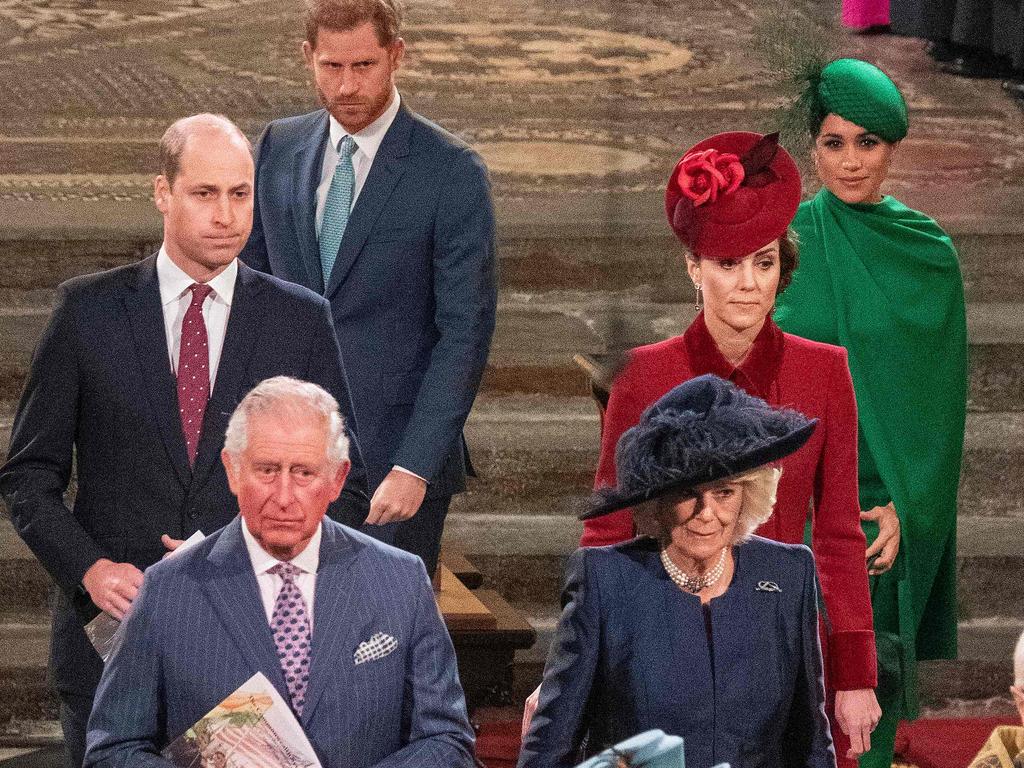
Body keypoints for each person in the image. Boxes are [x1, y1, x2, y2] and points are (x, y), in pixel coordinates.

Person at [0, 114, 369, 768]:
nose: (226, 215)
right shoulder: (87, 312)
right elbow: (27, 479)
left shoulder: (300, 320)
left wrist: (250, 550)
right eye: (204, 194)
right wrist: (91, 569)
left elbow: (345, 485)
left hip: (250, 652)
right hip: (107, 650)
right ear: (162, 193)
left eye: (240, 193)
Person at [574, 131, 878, 764]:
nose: (748, 284)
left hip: (782, 650)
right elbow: (606, 536)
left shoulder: (825, 373)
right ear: (693, 265)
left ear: (782, 270)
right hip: (659, 649)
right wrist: (575, 664)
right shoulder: (643, 375)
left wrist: (855, 673)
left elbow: (840, 534)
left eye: (764, 263)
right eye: (728, 263)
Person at [84, 377, 474, 768]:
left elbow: (447, 739)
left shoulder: (399, 580)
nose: (284, 497)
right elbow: (112, 750)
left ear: (338, 479)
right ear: (232, 471)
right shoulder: (168, 590)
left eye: (304, 473)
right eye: (266, 470)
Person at [240, 0, 498, 574]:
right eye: (332, 67)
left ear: (396, 57)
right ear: (308, 58)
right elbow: (251, 299)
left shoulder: (451, 171)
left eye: (365, 66)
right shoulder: (279, 147)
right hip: (287, 462)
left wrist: (416, 466)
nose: (348, 85)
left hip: (394, 468)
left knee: (377, 651)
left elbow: (465, 333)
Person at [774, 57, 968, 768]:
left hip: (871, 522)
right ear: (812, 147)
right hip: (782, 508)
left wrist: (904, 513)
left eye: (868, 143)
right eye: (833, 143)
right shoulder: (783, 243)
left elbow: (937, 417)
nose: (850, 162)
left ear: (893, 148)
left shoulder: (928, 254)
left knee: (862, 722)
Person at [519, 375, 834, 768]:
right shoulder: (606, 579)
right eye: (687, 493)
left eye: (724, 493)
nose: (706, 515)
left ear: (747, 497)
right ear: (657, 500)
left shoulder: (788, 573)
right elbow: (552, 743)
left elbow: (810, 740)